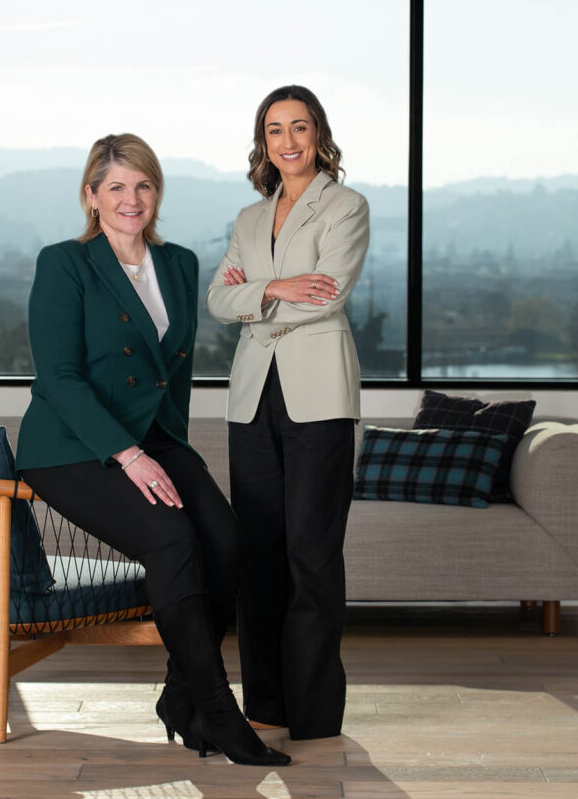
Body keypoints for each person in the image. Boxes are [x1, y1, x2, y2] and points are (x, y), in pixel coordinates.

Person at [15, 133, 289, 767]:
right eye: (115, 187)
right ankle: (220, 712)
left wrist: (171, 450)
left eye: (142, 185)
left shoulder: (179, 263)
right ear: (91, 196)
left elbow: (177, 371)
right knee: (172, 540)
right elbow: (56, 377)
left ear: (156, 192)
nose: (130, 199)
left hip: (157, 437)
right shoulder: (65, 263)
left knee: (226, 540)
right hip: (71, 447)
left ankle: (179, 695)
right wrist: (129, 456)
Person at [204, 86, 370, 740]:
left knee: (312, 551)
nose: (288, 141)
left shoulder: (346, 206)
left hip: (318, 395)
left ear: (319, 134)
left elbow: (326, 298)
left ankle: (314, 711)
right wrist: (272, 287)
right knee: (260, 554)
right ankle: (265, 703)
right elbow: (218, 299)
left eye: (299, 127)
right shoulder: (249, 217)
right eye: (275, 130)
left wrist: (256, 299)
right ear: (263, 142)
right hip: (252, 397)